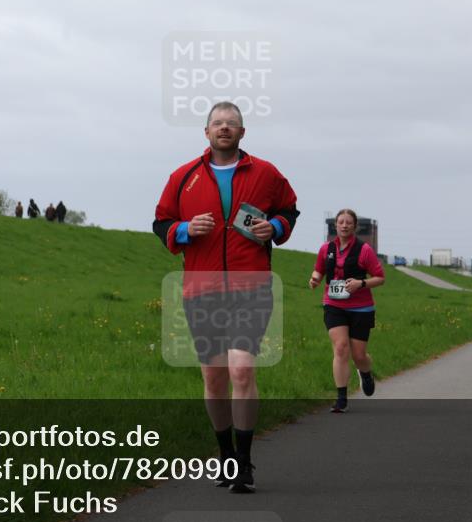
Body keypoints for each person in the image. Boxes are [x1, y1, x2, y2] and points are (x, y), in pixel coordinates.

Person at [153, 101, 299, 494]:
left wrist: (277, 227)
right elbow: (160, 221)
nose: (224, 128)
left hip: (251, 287)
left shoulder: (266, 173)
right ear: (206, 132)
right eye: (217, 123)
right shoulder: (183, 177)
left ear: (242, 132)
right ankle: (226, 458)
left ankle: (245, 462)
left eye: (231, 124)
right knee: (214, 378)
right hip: (201, 291)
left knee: (241, 369)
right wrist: (184, 229)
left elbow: (289, 209)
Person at [308, 209, 386, 413]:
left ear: (355, 226)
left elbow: (380, 277)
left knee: (359, 356)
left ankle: (366, 372)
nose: (344, 225)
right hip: (334, 305)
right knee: (341, 348)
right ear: (335, 225)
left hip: (361, 308)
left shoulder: (364, 250)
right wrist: (315, 278)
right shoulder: (326, 248)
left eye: (348, 222)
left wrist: (360, 283)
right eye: (341, 222)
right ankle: (341, 398)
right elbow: (319, 269)